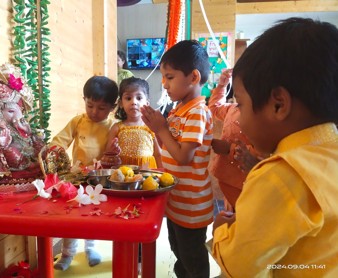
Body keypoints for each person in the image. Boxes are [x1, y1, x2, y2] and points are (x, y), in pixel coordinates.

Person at [211, 17, 338, 277]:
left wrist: (220, 233)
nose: (240, 115)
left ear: (278, 104)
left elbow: (238, 266)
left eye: (242, 104)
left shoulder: (280, 175)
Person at [141, 40, 214, 278]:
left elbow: (184, 156)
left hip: (191, 205)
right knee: (178, 250)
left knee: (193, 258)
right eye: (163, 77)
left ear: (193, 77)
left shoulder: (197, 112)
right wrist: (156, 129)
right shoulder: (178, 109)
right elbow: (169, 148)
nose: (164, 84)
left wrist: (161, 129)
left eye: (169, 77)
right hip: (177, 199)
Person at [51, 76, 119, 271]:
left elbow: (114, 153)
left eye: (101, 108)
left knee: (93, 216)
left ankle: (91, 249)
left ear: (112, 107)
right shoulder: (78, 121)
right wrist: (53, 151)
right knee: (70, 217)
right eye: (90, 106)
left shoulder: (113, 126)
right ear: (84, 100)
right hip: (75, 178)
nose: (94, 112)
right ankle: (67, 254)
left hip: (99, 179)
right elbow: (59, 140)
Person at [208, 68, 264, 211]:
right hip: (227, 183)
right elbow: (214, 107)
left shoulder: (262, 118)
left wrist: (229, 149)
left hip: (246, 185)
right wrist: (222, 85)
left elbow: (263, 155)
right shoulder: (232, 109)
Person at [105, 76, 162, 169]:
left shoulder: (152, 127)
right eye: (128, 98)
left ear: (147, 103)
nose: (134, 102)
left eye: (139, 98)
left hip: (147, 171)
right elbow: (108, 153)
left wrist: (162, 173)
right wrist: (112, 150)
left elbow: (158, 154)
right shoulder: (116, 127)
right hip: (123, 172)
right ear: (121, 103)